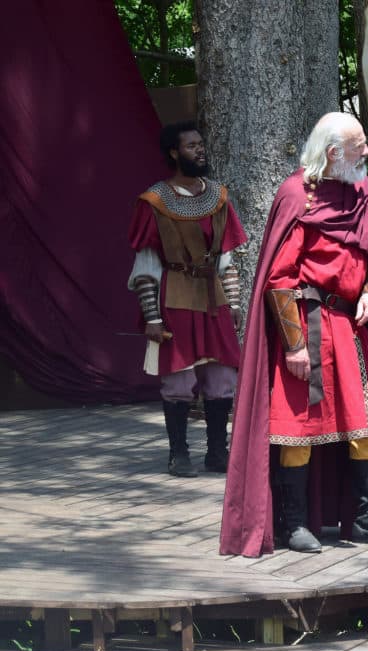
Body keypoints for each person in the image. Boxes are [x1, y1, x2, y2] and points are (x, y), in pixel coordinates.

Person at [219, 112, 368, 556]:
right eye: (359, 146)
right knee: (299, 430)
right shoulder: (298, 195)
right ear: (333, 153)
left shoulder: (359, 190)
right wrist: (293, 346)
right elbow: (279, 278)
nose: (366, 153)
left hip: (351, 326)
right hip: (308, 326)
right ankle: (293, 525)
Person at [128, 120, 247, 477]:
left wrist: (236, 303)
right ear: (174, 152)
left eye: (201, 144)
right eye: (192, 145)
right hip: (175, 293)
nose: (200, 149)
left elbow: (226, 258)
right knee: (178, 379)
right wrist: (151, 317)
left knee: (222, 377)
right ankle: (178, 454)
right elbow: (146, 264)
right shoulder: (154, 201)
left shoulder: (218, 197)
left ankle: (216, 452)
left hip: (214, 296)